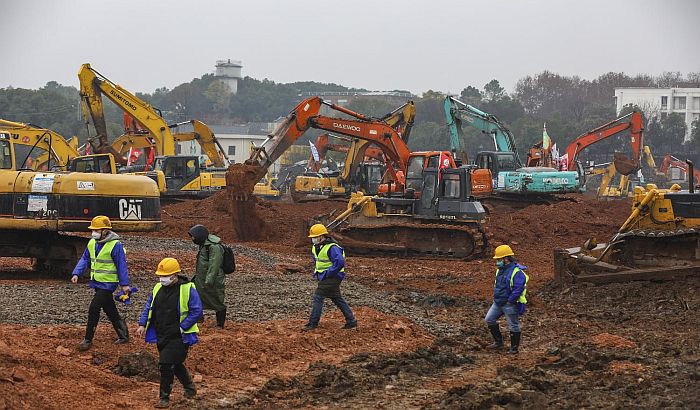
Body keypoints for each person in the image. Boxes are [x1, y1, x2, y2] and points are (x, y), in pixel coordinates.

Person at [137, 258, 202, 408]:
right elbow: (149, 306)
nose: (162, 279)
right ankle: (190, 388)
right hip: (162, 334)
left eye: (165, 276)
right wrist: (142, 324)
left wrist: (183, 326)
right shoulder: (157, 288)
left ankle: (164, 398)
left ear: (175, 275)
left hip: (179, 336)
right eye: (160, 276)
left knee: (165, 364)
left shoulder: (187, 289)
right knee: (176, 363)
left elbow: (197, 310)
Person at [71, 215, 131, 351]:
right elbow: (85, 259)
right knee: (110, 309)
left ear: (105, 231)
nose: (94, 232)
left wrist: (124, 284)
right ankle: (123, 334)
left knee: (94, 308)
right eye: (93, 230)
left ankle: (87, 339)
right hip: (98, 282)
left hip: (108, 284)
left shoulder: (115, 245)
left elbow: (121, 265)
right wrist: (76, 273)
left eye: (97, 230)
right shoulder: (92, 243)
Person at [303, 224, 357, 331]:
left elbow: (340, 262)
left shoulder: (332, 247)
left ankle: (313, 323)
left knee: (318, 296)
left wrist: (328, 273)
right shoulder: (316, 247)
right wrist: (318, 273)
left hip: (333, 276)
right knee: (336, 298)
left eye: (315, 237)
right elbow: (317, 261)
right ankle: (351, 321)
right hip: (326, 276)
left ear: (322, 236)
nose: (313, 239)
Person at [484, 245, 529, 354]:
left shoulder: (517, 272)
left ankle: (514, 348)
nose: (497, 262)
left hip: (509, 304)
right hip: (498, 302)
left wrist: (511, 300)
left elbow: (518, 288)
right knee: (489, 319)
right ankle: (498, 342)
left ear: (506, 259)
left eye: (499, 259)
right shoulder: (500, 270)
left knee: (513, 325)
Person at [188, 224, 227, 328]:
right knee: (196, 298)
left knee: (216, 300)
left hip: (213, 280)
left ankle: (220, 324)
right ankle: (198, 319)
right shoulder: (204, 245)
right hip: (201, 279)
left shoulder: (214, 247)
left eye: (193, 237)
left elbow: (214, 265)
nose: (193, 239)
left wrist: (209, 281)